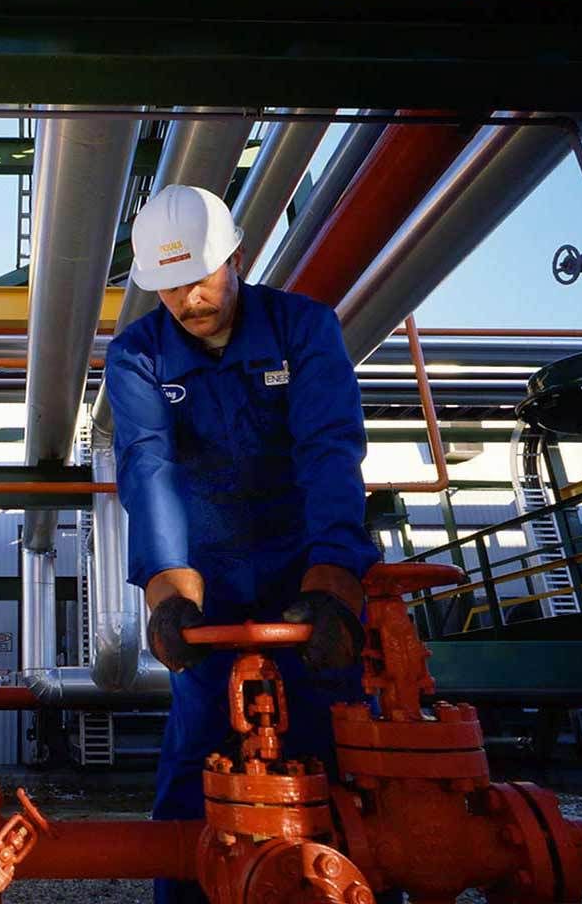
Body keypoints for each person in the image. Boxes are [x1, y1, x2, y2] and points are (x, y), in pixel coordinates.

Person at [104, 184, 378, 904]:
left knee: (349, 766)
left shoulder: (304, 328)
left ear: (238, 257)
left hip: (306, 569)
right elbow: (148, 466)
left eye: (199, 277)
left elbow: (328, 448)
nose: (188, 300)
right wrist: (168, 586)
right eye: (167, 287)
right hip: (212, 587)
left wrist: (334, 575)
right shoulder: (137, 355)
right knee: (198, 761)